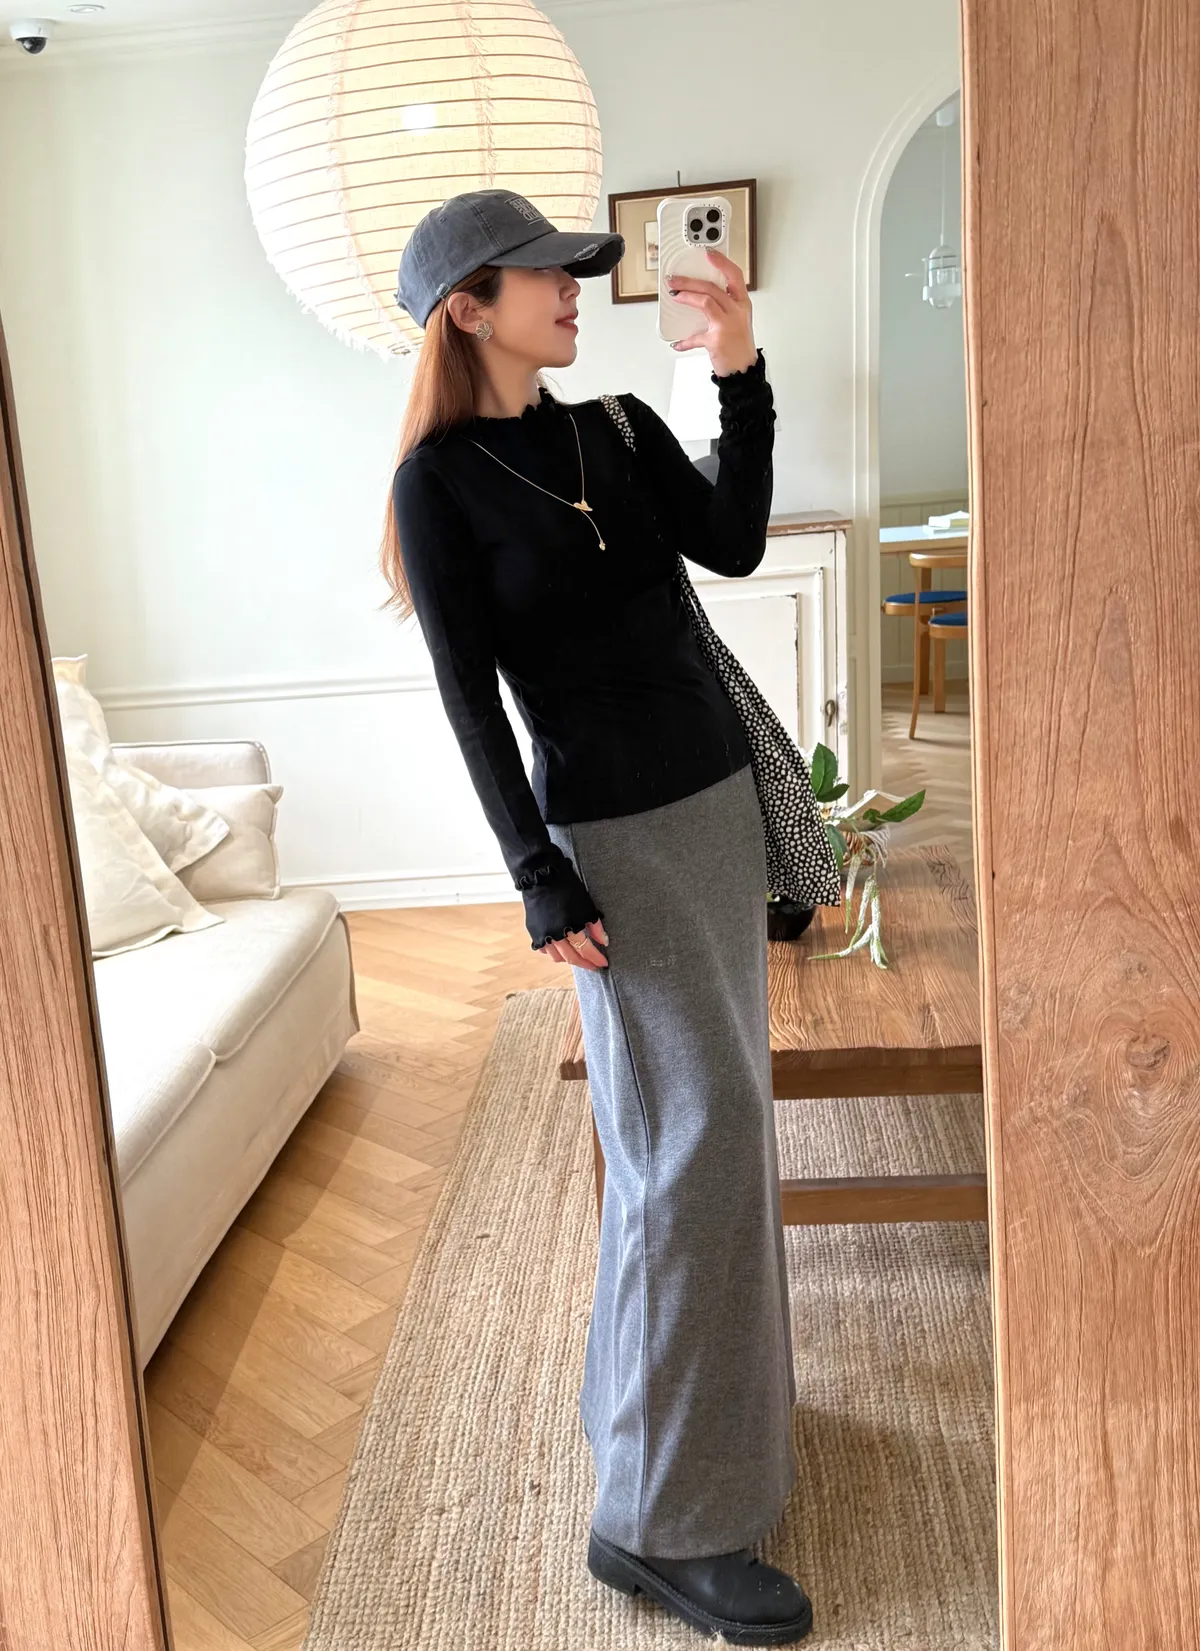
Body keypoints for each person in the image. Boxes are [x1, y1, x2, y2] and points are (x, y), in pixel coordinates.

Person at [382, 189, 813, 1647]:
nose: (576, 289)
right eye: (547, 274)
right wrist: (535, 873)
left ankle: (686, 1434)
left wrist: (739, 369)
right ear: (468, 308)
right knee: (685, 1149)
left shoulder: (617, 431)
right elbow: (469, 699)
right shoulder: (437, 487)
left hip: (713, 809)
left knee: (710, 1135)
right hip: (611, 846)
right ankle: (660, 1528)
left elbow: (736, 542)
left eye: (576, 271)